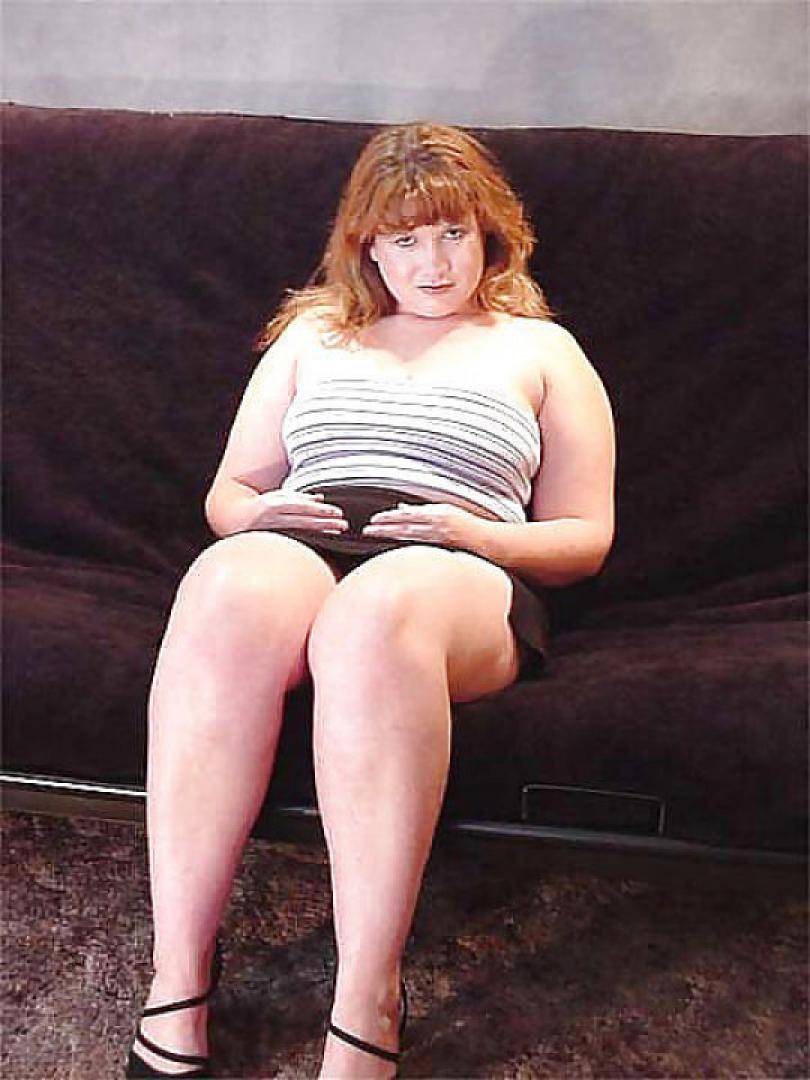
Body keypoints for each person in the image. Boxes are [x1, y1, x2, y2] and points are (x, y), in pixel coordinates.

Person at [126, 121, 615, 1079]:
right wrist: (256, 514)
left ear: (490, 235)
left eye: (454, 233)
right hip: (304, 538)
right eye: (406, 238)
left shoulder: (543, 350)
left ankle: (367, 999)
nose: (433, 263)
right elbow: (227, 495)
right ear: (368, 247)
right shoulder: (312, 335)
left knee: (374, 614)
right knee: (222, 586)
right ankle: (176, 976)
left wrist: (477, 534)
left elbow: (585, 538)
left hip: (456, 566)